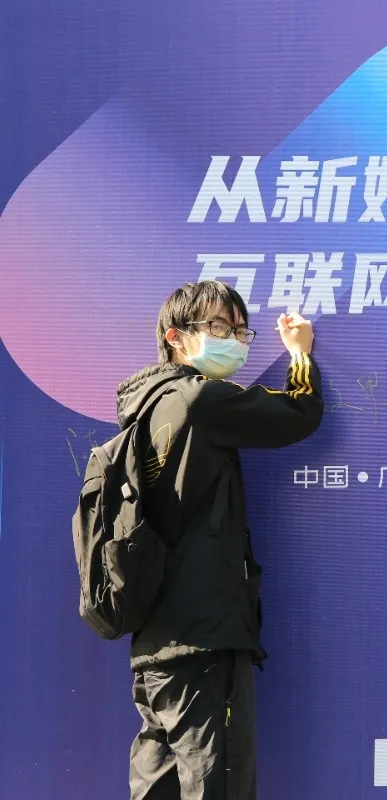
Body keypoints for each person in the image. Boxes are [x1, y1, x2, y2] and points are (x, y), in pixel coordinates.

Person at [116, 280, 323, 799]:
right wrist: (300, 354)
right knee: (218, 785)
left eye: (239, 330)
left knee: (158, 787)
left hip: (156, 646)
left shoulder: (144, 408)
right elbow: (298, 414)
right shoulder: (201, 398)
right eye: (217, 326)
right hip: (204, 640)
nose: (232, 339)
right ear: (175, 336)